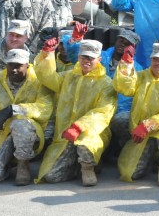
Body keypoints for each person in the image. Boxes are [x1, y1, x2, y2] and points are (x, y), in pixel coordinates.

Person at [0, 49, 53, 185]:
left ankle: (23, 164)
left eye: (18, 66)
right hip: (2, 134)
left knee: (20, 124)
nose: (13, 69)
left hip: (31, 135)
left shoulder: (38, 80)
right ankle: (8, 162)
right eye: (10, 65)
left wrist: (13, 109)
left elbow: (44, 108)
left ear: (27, 65)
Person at [35, 38, 116, 186]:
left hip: (92, 132)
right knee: (51, 176)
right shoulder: (68, 76)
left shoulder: (106, 84)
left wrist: (79, 126)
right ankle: (75, 166)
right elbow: (47, 78)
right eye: (84, 56)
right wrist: (47, 54)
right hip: (65, 134)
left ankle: (88, 167)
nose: (86, 60)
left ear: (99, 59)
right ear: (78, 57)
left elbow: (103, 112)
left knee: (86, 143)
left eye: (91, 58)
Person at [114, 42, 159, 186]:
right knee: (130, 173)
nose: (158, 63)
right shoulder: (141, 77)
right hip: (141, 132)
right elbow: (124, 88)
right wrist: (126, 64)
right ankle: (150, 156)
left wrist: (148, 125)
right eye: (155, 59)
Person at [100, 29, 143, 156]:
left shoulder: (138, 69)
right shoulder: (100, 57)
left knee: (123, 121)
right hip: (99, 106)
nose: (122, 44)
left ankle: (122, 150)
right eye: (121, 40)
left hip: (121, 110)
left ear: (134, 48)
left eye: (127, 43)